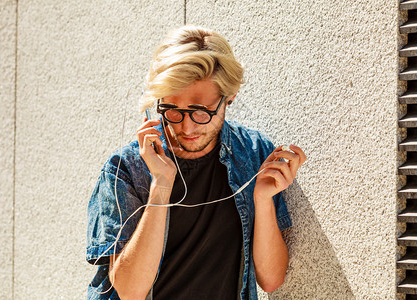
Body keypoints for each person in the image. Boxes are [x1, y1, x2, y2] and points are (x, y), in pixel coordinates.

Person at [86, 25, 306, 300]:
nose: (187, 128)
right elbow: (130, 291)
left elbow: (271, 279)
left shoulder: (253, 154)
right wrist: (161, 185)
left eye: (201, 112)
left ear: (230, 97)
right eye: (172, 111)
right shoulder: (126, 169)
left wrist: (262, 199)